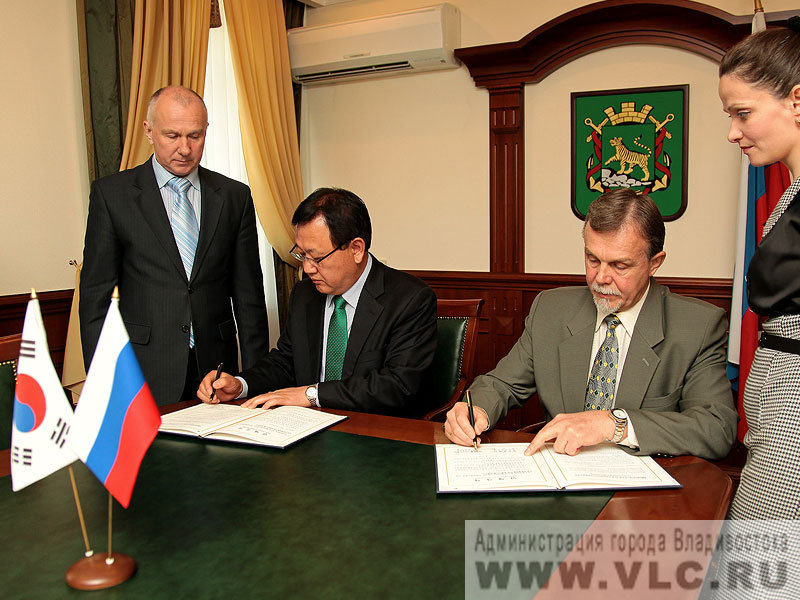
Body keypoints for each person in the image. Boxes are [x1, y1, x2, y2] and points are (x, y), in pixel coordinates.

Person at [445, 189, 737, 460]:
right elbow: (501, 384)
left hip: (644, 486)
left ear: (655, 263)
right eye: (592, 259)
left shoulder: (698, 326)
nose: (601, 278)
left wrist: (613, 423)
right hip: (562, 474)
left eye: (620, 265)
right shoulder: (551, 309)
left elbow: (716, 428)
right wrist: (475, 409)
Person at [80, 85, 268, 406]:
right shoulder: (113, 196)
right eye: (172, 136)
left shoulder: (234, 197)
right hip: (142, 369)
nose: (185, 148)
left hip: (216, 371)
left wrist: (254, 380)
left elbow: (249, 297)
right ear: (149, 131)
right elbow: (96, 301)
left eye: (195, 135)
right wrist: (105, 384)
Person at [197, 187, 438, 417]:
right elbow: (286, 361)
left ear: (356, 249)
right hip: (306, 426)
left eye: (317, 257)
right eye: (302, 255)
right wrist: (241, 384)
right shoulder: (305, 294)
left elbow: (397, 384)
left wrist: (311, 395)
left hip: (374, 430)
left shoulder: (409, 299)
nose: (307, 268)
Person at [718, 16, 800, 519]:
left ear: (797, 100)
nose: (733, 133)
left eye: (743, 113)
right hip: (776, 402)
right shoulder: (790, 193)